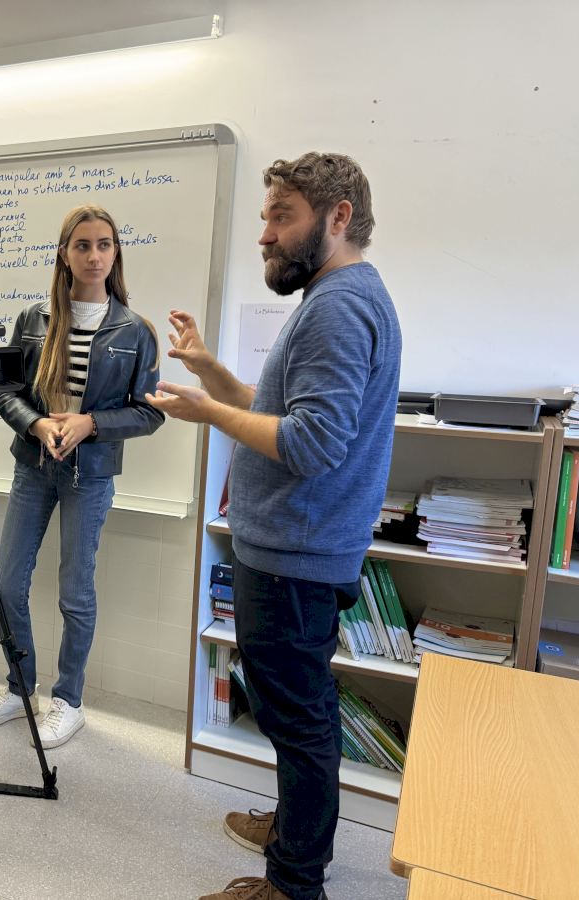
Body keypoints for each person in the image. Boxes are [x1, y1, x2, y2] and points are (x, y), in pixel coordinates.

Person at [148, 153, 401, 900]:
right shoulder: (338, 296)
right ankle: (296, 830)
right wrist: (212, 374)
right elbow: (282, 405)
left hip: (297, 553)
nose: (263, 235)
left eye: (281, 217)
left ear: (338, 217)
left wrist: (210, 414)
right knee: (295, 709)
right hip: (296, 548)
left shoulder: (338, 306)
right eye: (265, 217)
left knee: (298, 718)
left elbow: (313, 443)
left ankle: (293, 883)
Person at [0, 204, 164, 748]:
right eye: (82, 245)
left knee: (75, 592)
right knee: (9, 580)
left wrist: (90, 423)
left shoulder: (135, 330)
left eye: (104, 244)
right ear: (64, 253)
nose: (94, 255)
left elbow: (149, 413)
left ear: (115, 252)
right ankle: (19, 688)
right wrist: (36, 425)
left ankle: (68, 700)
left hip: (90, 476)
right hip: (34, 469)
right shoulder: (33, 319)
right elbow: (6, 392)